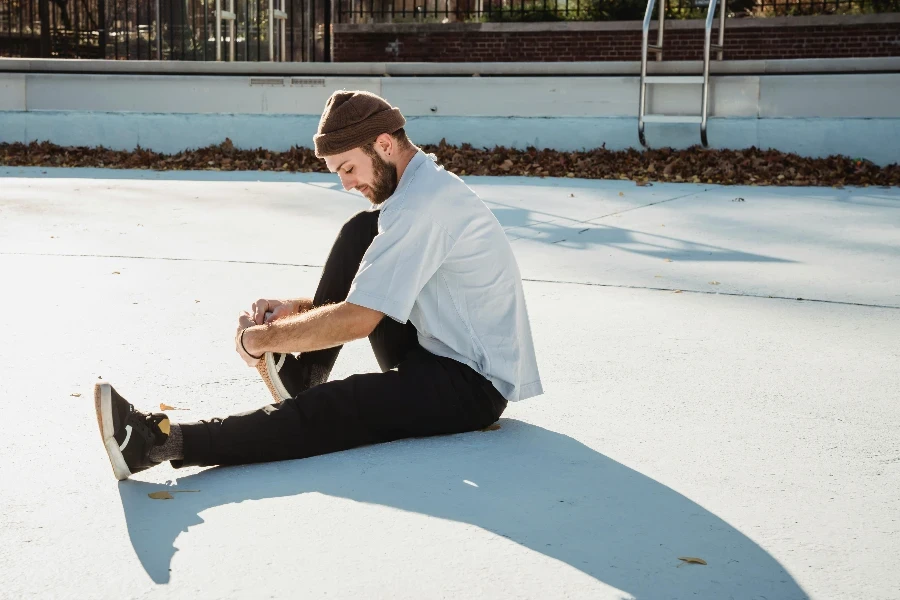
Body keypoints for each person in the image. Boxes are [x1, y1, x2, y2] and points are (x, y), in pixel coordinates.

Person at [94, 90, 543, 481]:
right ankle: (305, 373)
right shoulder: (416, 191)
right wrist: (296, 312)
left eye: (348, 168)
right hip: (436, 348)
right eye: (338, 173)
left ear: (384, 144)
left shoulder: (424, 207)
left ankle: (158, 443)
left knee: (337, 407)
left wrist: (259, 340)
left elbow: (361, 320)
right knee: (359, 233)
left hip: (469, 387)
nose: (346, 183)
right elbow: (371, 295)